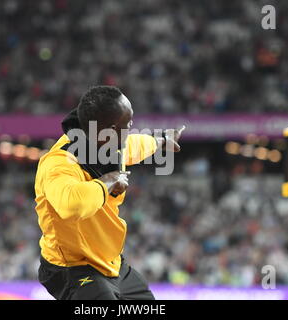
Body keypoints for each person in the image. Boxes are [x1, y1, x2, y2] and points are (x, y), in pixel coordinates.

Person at [34, 85, 185, 300]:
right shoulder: (59, 163)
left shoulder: (113, 146)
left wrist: (161, 141)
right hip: (72, 268)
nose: (132, 127)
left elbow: (136, 144)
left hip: (112, 264)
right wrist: (106, 183)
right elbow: (70, 205)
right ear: (111, 129)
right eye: (128, 123)